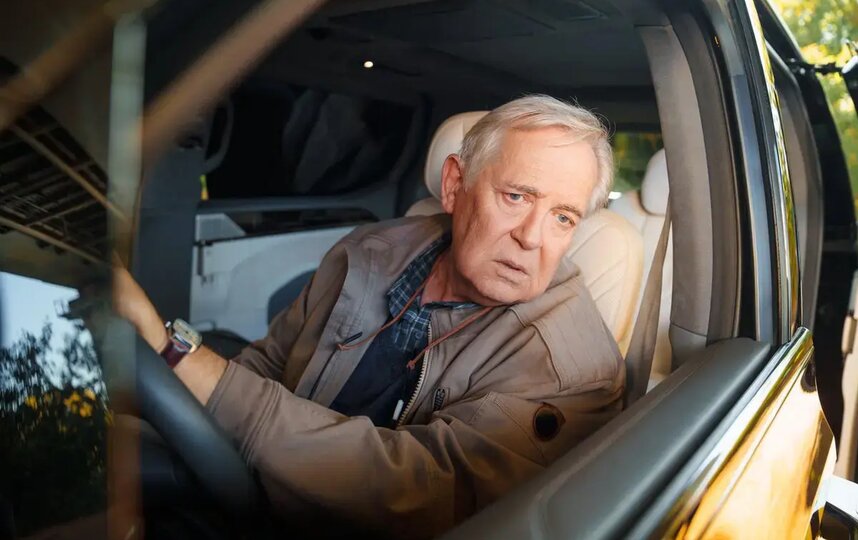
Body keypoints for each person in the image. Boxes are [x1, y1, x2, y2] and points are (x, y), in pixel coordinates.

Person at [114, 94, 625, 538]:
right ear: (454, 185)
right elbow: (269, 363)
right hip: (255, 498)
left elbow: (417, 490)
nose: (532, 238)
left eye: (563, 218)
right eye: (516, 197)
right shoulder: (367, 251)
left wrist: (175, 352)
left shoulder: (570, 369)